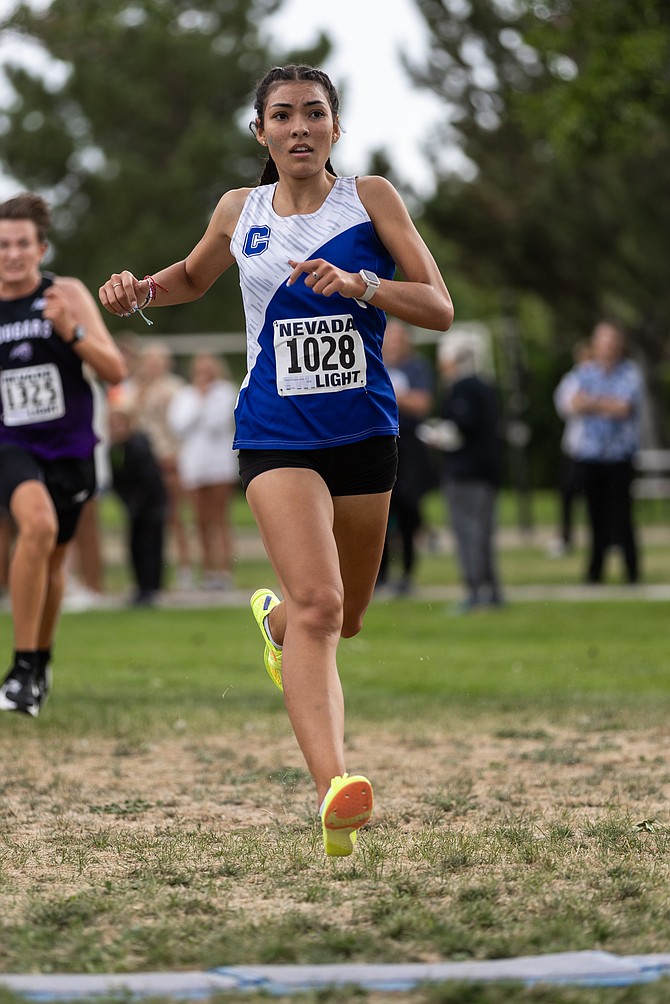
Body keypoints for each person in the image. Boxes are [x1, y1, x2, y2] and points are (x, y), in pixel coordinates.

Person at [99, 64, 453, 856]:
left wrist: (365, 285)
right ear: (260, 131)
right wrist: (139, 292)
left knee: (342, 617)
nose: (300, 127)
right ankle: (336, 788)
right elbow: (192, 276)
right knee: (323, 605)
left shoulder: (372, 200)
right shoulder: (239, 208)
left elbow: (439, 305)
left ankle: (275, 627)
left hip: (364, 434)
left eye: (314, 114)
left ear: (335, 128)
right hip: (275, 434)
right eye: (283, 115)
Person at [0, 192, 126, 716]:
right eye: (2, 245)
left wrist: (69, 332)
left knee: (52, 560)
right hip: (11, 444)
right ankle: (21, 668)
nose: (11, 254)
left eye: (22, 244)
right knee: (38, 527)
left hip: (71, 448)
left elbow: (115, 370)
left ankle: (39, 664)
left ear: (41, 249)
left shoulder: (66, 294)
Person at [562, 320, 643, 584]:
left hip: (620, 456)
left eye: (611, 342)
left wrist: (592, 402)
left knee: (623, 516)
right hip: (591, 456)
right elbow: (572, 402)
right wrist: (604, 403)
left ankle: (631, 571)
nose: (606, 348)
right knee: (594, 516)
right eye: (602, 342)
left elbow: (623, 407)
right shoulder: (584, 372)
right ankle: (595, 572)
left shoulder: (629, 373)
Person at [437, 336, 503, 613]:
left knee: (468, 532)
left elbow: (460, 428)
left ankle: (475, 589)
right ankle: (493, 589)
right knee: (485, 531)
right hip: (488, 469)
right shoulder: (487, 387)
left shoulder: (463, 388)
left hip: (466, 471)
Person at [168, 352, 239, 591]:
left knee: (219, 519)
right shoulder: (186, 395)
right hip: (194, 465)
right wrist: (199, 399)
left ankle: (224, 571)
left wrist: (206, 399)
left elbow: (216, 423)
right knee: (200, 521)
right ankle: (208, 570)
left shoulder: (225, 392)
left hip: (218, 465)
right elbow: (180, 425)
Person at [126, 340, 192, 589]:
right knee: (145, 519)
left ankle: (184, 568)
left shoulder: (175, 388)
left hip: (167, 458)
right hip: (142, 461)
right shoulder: (135, 388)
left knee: (175, 516)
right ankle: (149, 573)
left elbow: (180, 427)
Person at [377, 320, 436, 595]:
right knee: (378, 512)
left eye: (399, 339)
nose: (394, 344)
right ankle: (379, 575)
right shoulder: (372, 360)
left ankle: (407, 573)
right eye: (391, 338)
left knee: (409, 509)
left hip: (409, 446)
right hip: (377, 443)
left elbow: (422, 403)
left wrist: (393, 396)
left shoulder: (415, 367)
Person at [108, 402, 167, 606]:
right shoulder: (115, 450)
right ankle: (141, 587)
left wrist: (136, 503)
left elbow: (148, 479)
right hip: (135, 507)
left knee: (150, 546)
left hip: (151, 505)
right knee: (135, 546)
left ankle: (150, 588)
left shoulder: (138, 445)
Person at [548, 340, 591, 558]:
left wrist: (589, 402)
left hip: (599, 451)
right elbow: (568, 405)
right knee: (567, 495)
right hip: (575, 447)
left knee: (599, 498)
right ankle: (566, 537)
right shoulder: (573, 379)